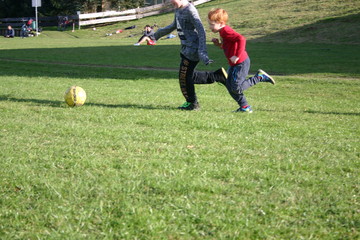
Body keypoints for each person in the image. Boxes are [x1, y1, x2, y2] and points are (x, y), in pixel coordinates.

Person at [153, 0, 227, 111]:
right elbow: (174, 25)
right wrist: (157, 34)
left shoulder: (191, 10)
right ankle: (217, 76)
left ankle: (192, 103)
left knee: (184, 77)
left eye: (173, 1)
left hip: (192, 49)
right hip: (185, 47)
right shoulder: (178, 9)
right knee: (188, 76)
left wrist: (202, 52)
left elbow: (201, 31)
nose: (171, 3)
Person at [208, 8, 275, 113]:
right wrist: (218, 44)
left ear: (221, 23)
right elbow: (227, 46)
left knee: (236, 87)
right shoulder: (222, 32)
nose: (210, 27)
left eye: (212, 24)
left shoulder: (226, 30)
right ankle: (245, 107)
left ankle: (259, 77)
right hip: (234, 64)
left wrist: (237, 56)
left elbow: (241, 39)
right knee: (230, 87)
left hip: (241, 63)